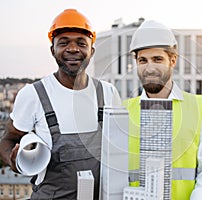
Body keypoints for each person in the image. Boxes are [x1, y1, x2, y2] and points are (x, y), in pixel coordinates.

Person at [0, 9, 121, 199]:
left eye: (81, 43)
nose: (73, 49)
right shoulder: (34, 94)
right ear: (52, 50)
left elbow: (118, 149)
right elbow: (8, 139)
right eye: (64, 43)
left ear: (92, 50)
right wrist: (13, 160)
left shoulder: (107, 93)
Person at [123, 20, 202, 200]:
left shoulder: (200, 108)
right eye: (142, 60)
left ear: (173, 60)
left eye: (157, 59)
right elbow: (113, 173)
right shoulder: (122, 111)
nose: (150, 67)